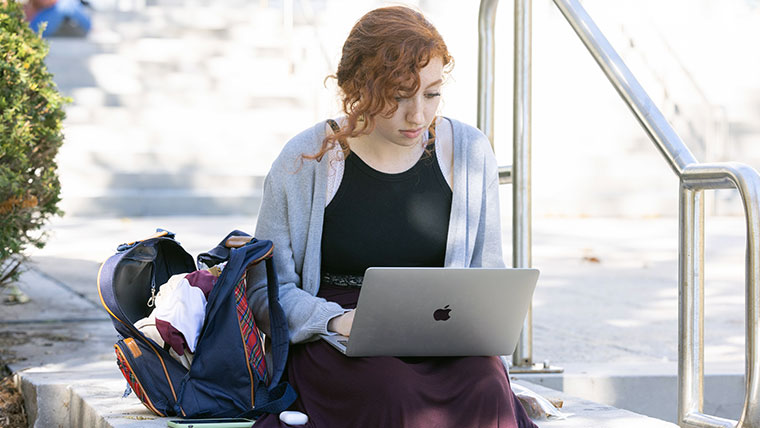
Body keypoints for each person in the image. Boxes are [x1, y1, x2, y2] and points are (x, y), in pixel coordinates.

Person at [247, 6, 537, 428]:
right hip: (335, 332)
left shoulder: (470, 152)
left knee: (487, 385)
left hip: (440, 330)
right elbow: (266, 291)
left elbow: (486, 277)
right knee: (393, 391)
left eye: (432, 93)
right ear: (356, 88)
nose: (417, 115)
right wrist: (334, 319)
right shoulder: (306, 159)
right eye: (398, 96)